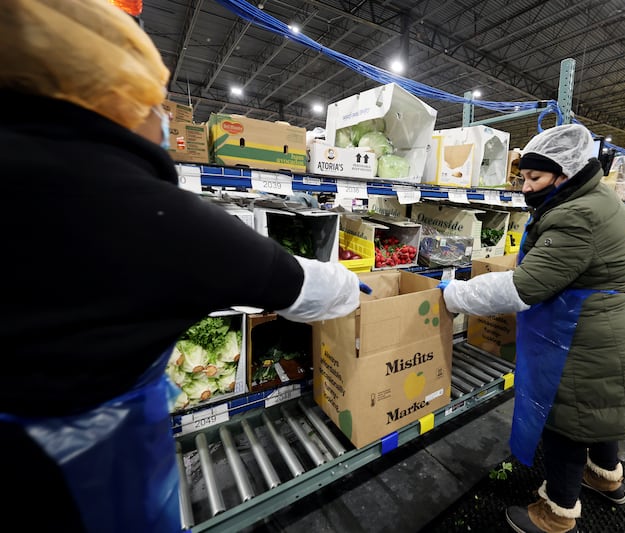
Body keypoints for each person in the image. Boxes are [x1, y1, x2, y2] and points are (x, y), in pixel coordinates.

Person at [0, 2, 364, 532]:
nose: (165, 121)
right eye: (157, 106)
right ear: (122, 102)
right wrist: (357, 286)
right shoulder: (154, 213)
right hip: (88, 486)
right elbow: (305, 287)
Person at [439, 124, 625, 533]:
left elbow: (524, 287)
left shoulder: (578, 215)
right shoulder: (596, 197)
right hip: (603, 330)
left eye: (535, 178)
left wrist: (457, 295)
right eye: (522, 177)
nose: (525, 188)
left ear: (566, 173)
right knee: (596, 415)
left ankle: (556, 513)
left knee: (568, 427)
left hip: (582, 339)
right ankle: (605, 476)